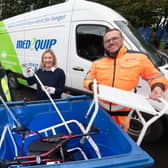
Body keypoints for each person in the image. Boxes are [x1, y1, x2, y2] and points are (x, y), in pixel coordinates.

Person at [83, 28, 168, 130]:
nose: (111, 42)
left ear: (122, 39)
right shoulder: (97, 63)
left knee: (120, 139)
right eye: (107, 41)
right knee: (101, 135)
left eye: (114, 38)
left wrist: (157, 88)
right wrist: (92, 85)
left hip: (123, 113)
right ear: (104, 44)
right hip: (100, 110)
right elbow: (86, 80)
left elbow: (156, 77)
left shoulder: (139, 58)